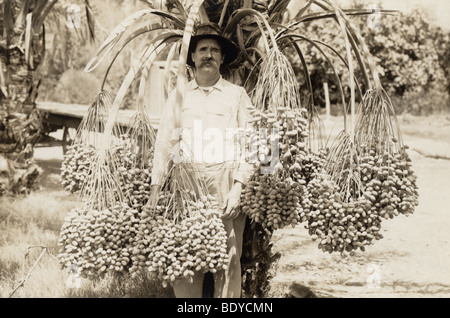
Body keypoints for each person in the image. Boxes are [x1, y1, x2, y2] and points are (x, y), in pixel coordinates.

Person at [147, 23, 255, 298]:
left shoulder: (237, 95)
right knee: (186, 259)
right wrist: (155, 190)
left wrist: (238, 189)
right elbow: (163, 144)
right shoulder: (178, 96)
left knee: (228, 261)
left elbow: (255, 145)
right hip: (186, 189)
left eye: (214, 50)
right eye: (202, 49)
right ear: (193, 57)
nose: (208, 55)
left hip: (225, 185)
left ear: (221, 58)